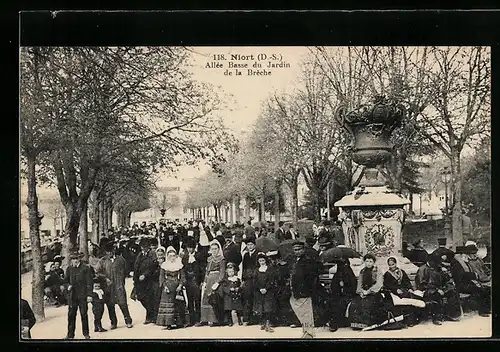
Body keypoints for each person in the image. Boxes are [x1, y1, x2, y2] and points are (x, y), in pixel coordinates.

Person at [96, 242, 133, 330]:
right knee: (110, 305)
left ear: (114, 250)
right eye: (107, 252)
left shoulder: (121, 259)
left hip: (119, 285)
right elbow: (97, 272)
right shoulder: (102, 261)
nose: (109, 253)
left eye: (111, 251)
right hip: (108, 286)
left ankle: (128, 320)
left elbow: (126, 270)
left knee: (122, 303)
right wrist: (105, 278)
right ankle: (113, 322)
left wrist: (121, 279)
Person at [289, 240, 321, 338]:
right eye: (295, 250)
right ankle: (306, 331)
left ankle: (310, 333)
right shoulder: (294, 261)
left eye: (299, 249)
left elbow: (312, 276)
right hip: (296, 290)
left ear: (303, 249)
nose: (297, 251)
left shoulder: (308, 261)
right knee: (301, 312)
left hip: (305, 290)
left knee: (306, 313)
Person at [415, 254, 457, 325]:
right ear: (430, 261)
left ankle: (449, 314)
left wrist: (446, 286)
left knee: (452, 292)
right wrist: (436, 289)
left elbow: (445, 280)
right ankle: (437, 318)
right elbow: (421, 284)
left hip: (439, 289)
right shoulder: (422, 269)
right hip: (426, 290)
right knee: (436, 295)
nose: (438, 264)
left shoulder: (438, 268)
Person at [452, 244, 491, 317]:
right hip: (461, 285)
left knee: (484, 289)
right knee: (480, 290)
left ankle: (486, 308)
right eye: (464, 253)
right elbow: (460, 276)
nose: (465, 255)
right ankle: (482, 311)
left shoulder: (462, 261)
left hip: (467, 283)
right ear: (460, 254)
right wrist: (473, 275)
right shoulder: (456, 263)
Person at [348, 253, 385, 330]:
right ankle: (357, 324)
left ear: (373, 262)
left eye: (370, 261)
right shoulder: (362, 271)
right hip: (363, 292)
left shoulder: (377, 270)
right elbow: (360, 283)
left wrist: (368, 291)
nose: (368, 263)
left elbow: (379, 283)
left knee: (368, 304)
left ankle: (367, 323)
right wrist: (361, 292)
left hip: (374, 293)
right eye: (367, 261)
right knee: (355, 303)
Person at [63, 251, 93, 339]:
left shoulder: (85, 268)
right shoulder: (69, 269)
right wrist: (68, 286)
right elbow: (65, 281)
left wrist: (89, 295)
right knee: (71, 315)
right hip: (72, 297)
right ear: (71, 260)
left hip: (83, 296)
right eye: (73, 259)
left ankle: (86, 334)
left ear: (79, 259)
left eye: (76, 258)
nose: (75, 261)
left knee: (84, 314)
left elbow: (89, 282)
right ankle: (70, 335)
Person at [156, 246, 187, 330]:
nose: (172, 258)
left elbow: (183, 277)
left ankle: (178, 322)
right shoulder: (164, 265)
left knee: (178, 303)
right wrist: (164, 286)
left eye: (174, 256)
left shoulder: (179, 265)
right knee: (168, 305)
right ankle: (168, 323)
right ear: (167, 256)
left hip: (177, 286)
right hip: (168, 286)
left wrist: (180, 285)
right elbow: (161, 277)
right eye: (170, 256)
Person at [198, 240, 226, 326]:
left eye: (215, 249)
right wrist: (205, 281)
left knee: (215, 299)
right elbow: (207, 271)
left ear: (218, 249)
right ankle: (204, 319)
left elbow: (222, 272)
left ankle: (215, 320)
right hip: (209, 280)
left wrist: (218, 282)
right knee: (205, 298)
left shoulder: (221, 259)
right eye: (212, 249)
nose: (214, 251)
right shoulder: (209, 259)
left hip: (216, 280)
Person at [133, 238, 159, 325]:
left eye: (145, 247)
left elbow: (153, 266)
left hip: (149, 280)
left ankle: (150, 316)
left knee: (149, 298)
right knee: (141, 297)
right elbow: (136, 266)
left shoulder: (152, 254)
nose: (143, 249)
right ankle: (151, 314)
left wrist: (145, 274)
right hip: (139, 280)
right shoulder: (140, 255)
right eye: (142, 247)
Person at [327, 259, 357, 332]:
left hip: (348, 295)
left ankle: (335, 323)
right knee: (332, 301)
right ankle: (333, 322)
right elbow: (333, 287)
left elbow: (353, 287)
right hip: (338, 295)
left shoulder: (349, 273)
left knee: (340, 303)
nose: (343, 267)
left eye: (345, 265)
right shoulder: (337, 275)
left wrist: (345, 286)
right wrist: (339, 287)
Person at [182, 238, 203, 326]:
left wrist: (201, 281)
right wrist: (184, 281)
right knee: (190, 300)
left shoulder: (199, 256)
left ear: (194, 248)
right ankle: (191, 320)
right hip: (188, 281)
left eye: (191, 248)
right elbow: (183, 269)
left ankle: (198, 319)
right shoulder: (185, 257)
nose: (190, 249)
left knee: (197, 300)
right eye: (188, 248)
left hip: (196, 280)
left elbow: (202, 269)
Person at [253, 252, 276, 333]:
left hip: (268, 291)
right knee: (261, 307)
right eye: (260, 261)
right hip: (259, 292)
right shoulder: (256, 270)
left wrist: (266, 288)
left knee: (268, 308)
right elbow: (255, 281)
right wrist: (260, 288)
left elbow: (271, 280)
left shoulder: (269, 269)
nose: (262, 262)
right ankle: (263, 323)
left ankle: (268, 324)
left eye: (263, 260)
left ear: (265, 260)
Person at [241, 235, 258, 326]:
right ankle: (247, 317)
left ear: (254, 245)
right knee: (247, 297)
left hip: (255, 278)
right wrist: (243, 278)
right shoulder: (246, 255)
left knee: (255, 298)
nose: (250, 246)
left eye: (251, 244)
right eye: (248, 245)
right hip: (248, 279)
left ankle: (255, 318)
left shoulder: (258, 254)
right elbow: (244, 267)